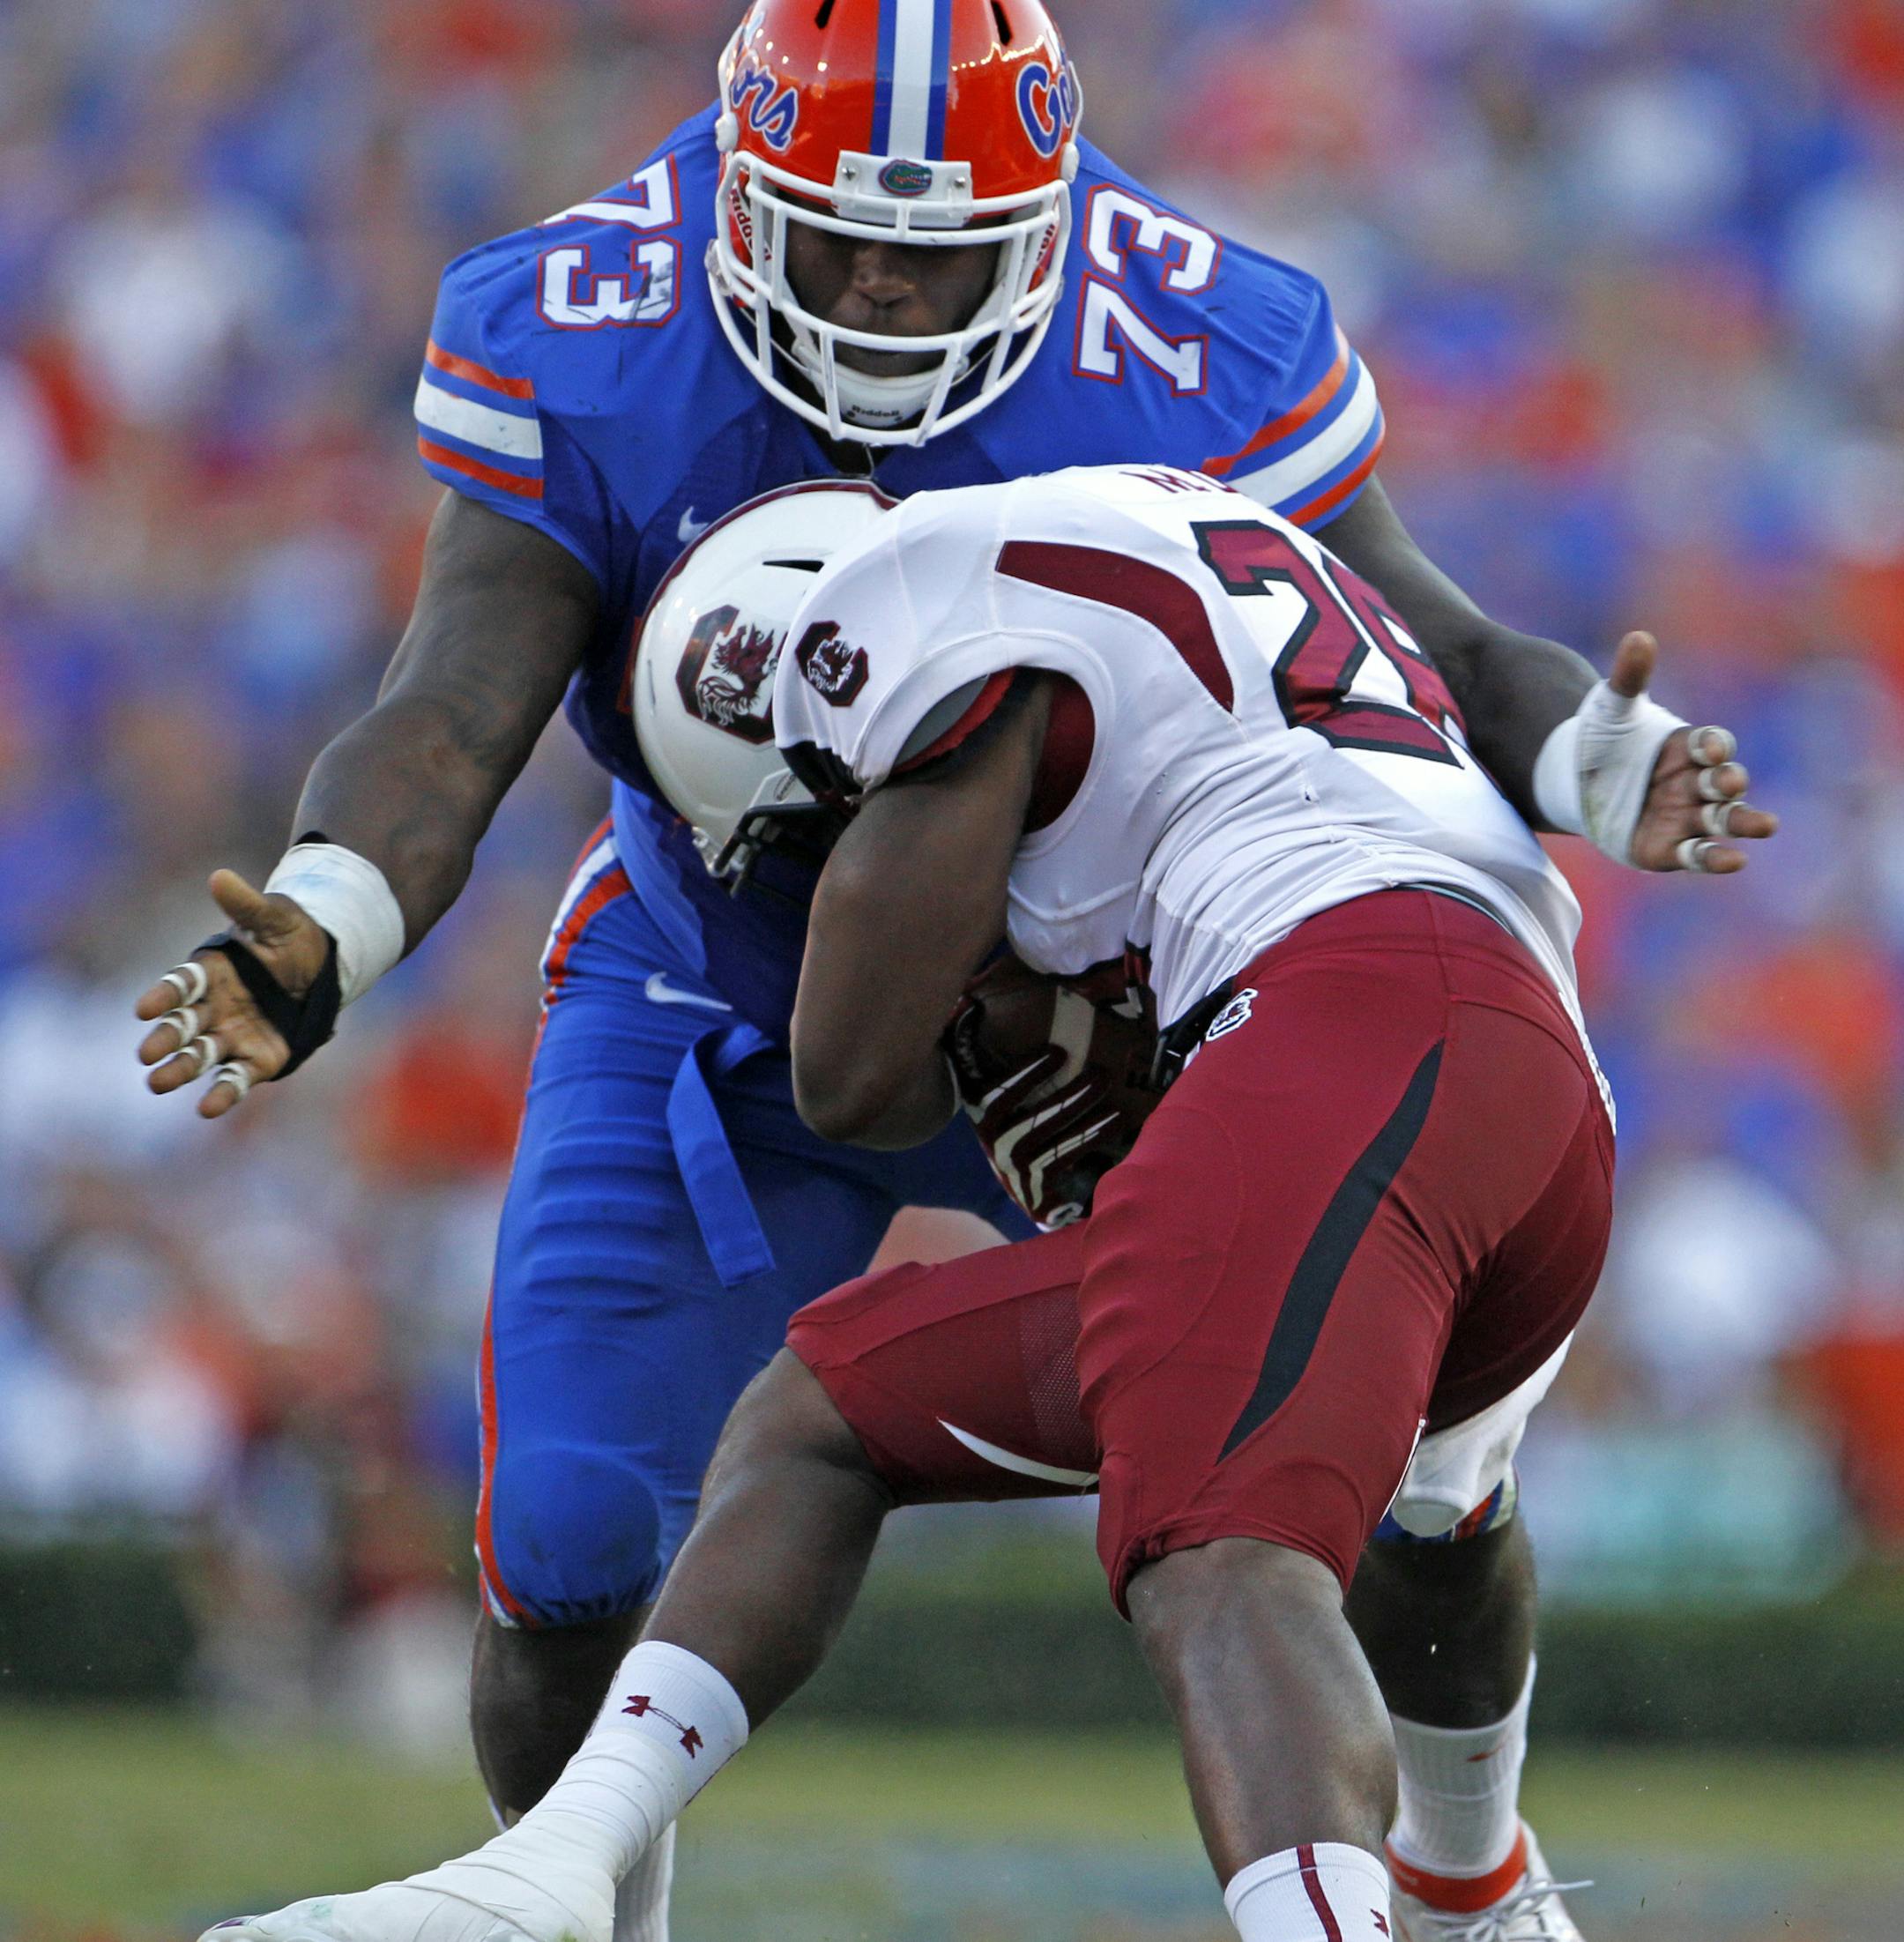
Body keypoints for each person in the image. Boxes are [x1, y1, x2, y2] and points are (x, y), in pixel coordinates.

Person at [135, 4, 1766, 1936]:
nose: (895, 292)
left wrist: (1599, 755)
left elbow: (1432, 643)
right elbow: (453, 709)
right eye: (843, 239)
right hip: (716, 987)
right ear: (742, 195)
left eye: (947, 248)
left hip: (1125, 1023)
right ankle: (575, 1905)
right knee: (567, 1535)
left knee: (1410, 1484)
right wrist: (327, 912)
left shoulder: (1185, 343)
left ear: (1054, 218)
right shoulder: (595, 328)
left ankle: (1479, 1873)